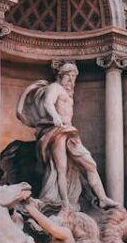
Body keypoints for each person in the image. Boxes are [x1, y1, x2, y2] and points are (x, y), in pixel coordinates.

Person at [17, 62, 117, 210]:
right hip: (57, 131)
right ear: (60, 76)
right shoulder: (54, 88)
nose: (71, 80)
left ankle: (102, 198)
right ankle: (65, 203)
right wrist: (55, 117)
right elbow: (48, 103)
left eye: (73, 77)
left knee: (90, 164)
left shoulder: (67, 92)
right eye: (68, 76)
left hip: (69, 131)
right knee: (60, 169)